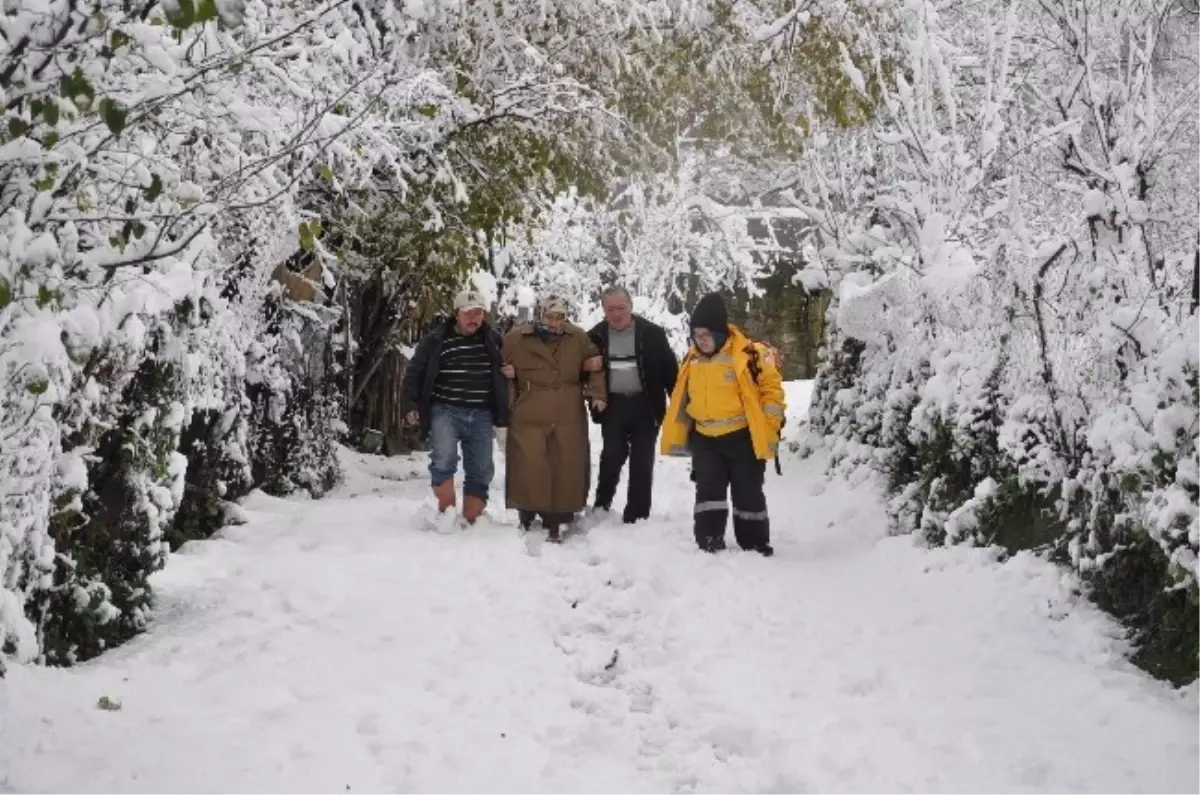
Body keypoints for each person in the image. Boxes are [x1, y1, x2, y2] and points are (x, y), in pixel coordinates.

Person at [660, 292, 785, 556]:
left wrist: (770, 428)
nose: (701, 340)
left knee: (747, 492)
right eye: (696, 335)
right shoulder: (691, 360)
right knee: (708, 492)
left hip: (741, 437)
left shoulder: (749, 355)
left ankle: (754, 543)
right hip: (705, 439)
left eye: (706, 334)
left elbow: (772, 394)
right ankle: (708, 540)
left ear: (719, 332)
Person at [501, 296, 607, 542]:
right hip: (530, 408)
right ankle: (527, 510)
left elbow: (596, 366)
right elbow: (497, 367)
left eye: (559, 317)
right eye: (549, 316)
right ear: (540, 314)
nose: (554, 322)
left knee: (567, 461)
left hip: (567, 408)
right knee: (530, 461)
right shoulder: (516, 338)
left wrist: (597, 394)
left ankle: (560, 515)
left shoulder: (578, 337)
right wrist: (508, 386)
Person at [401, 289, 508, 524]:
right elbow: (415, 372)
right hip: (445, 409)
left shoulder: (493, 339)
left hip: (481, 412)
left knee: (482, 468)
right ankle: (446, 512)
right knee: (443, 458)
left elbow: (509, 367)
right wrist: (410, 404)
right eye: (468, 313)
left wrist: (510, 373)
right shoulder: (436, 339)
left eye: (478, 313)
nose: (474, 318)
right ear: (457, 313)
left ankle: (472, 518)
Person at [587, 286, 679, 523]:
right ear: (603, 311)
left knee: (642, 460)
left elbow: (671, 372)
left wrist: (678, 405)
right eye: (610, 309)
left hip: (645, 404)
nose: (616, 314)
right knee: (612, 456)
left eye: (620, 308)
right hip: (613, 405)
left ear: (630, 307)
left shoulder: (652, 334)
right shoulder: (595, 337)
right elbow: (585, 375)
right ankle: (601, 506)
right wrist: (593, 397)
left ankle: (637, 515)